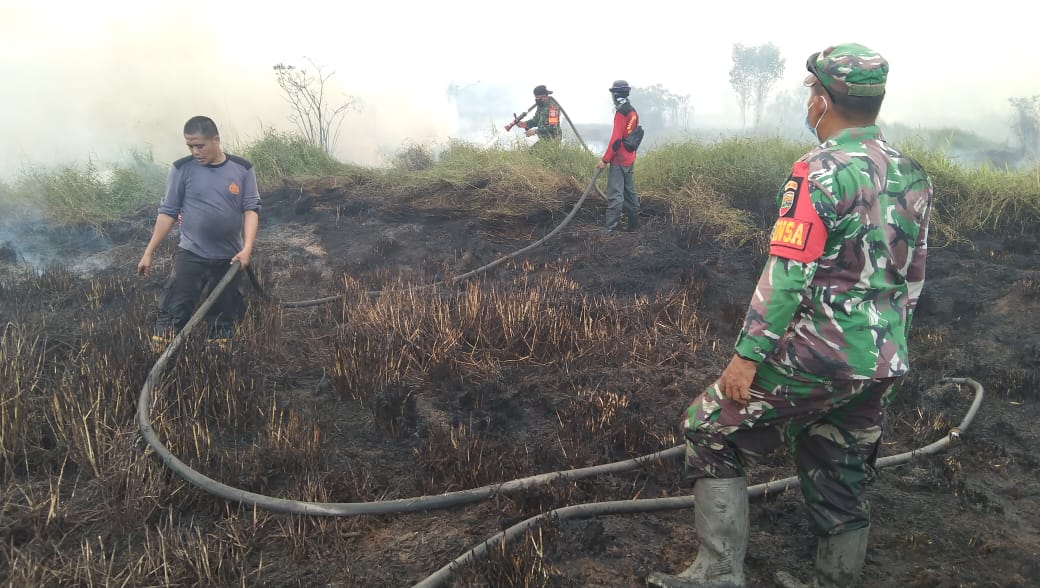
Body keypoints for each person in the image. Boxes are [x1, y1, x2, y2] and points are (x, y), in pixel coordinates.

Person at [647, 43, 933, 588]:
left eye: (809, 93)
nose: (807, 104)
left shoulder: (817, 172)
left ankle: (716, 573)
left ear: (824, 101)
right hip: (883, 359)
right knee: (841, 461)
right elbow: (913, 275)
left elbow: (786, 275)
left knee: (707, 427)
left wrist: (746, 358)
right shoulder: (911, 173)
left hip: (818, 354)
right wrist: (890, 346)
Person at [137, 115, 261, 350]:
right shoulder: (181, 169)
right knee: (175, 308)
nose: (195, 151)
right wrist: (148, 252)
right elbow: (168, 213)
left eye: (200, 145)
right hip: (191, 253)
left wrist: (247, 249)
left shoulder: (242, 169)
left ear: (216, 139)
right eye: (190, 146)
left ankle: (217, 356)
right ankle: (161, 354)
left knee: (223, 314)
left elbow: (251, 210)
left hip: (230, 258)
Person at [597, 80, 640, 232]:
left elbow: (616, 141)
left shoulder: (621, 113)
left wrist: (604, 160)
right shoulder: (633, 111)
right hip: (630, 159)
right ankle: (633, 226)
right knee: (630, 192)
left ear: (615, 95)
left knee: (615, 194)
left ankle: (610, 228)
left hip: (620, 160)